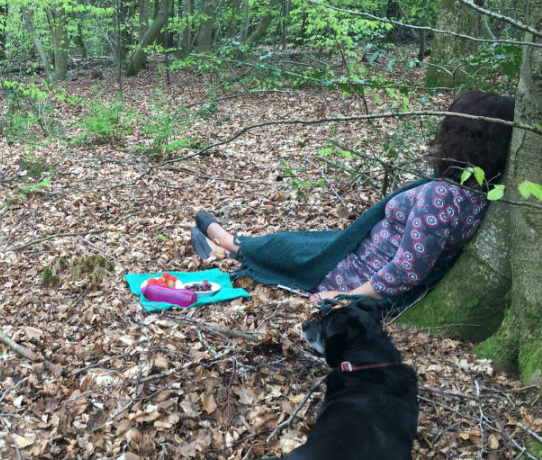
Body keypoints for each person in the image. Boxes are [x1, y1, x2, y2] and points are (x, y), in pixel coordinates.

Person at [191, 90, 515, 307]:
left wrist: (345, 297)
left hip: (354, 272)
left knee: (288, 248)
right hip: (359, 253)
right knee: (299, 240)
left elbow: (408, 268)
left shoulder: (442, 196)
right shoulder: (479, 191)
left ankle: (230, 244)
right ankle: (232, 244)